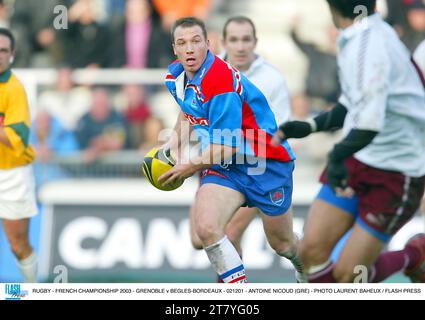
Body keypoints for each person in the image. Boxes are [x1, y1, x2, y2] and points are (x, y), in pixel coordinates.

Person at [275, 0, 425, 283]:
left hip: (396, 171)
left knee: (349, 276)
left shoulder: (369, 43)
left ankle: (415, 255)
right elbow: (353, 104)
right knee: (308, 258)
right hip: (359, 155)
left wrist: (335, 157)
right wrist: (310, 125)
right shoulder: (361, 33)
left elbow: (369, 123)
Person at [158, 17, 303, 283]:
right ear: (174, 49)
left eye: (195, 41)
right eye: (182, 43)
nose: (189, 49)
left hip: (265, 163)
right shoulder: (175, 76)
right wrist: (171, 144)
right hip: (226, 164)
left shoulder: (221, 81)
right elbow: (190, 110)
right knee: (206, 229)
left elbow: (227, 145)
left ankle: (313, 269)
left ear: (208, 44)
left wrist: (188, 166)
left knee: (283, 245)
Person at [0, 28, 38, 282]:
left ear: (12, 55)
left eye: (3, 50)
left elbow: (16, 139)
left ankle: (33, 290)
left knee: (18, 244)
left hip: (11, 174)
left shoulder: (14, 90)